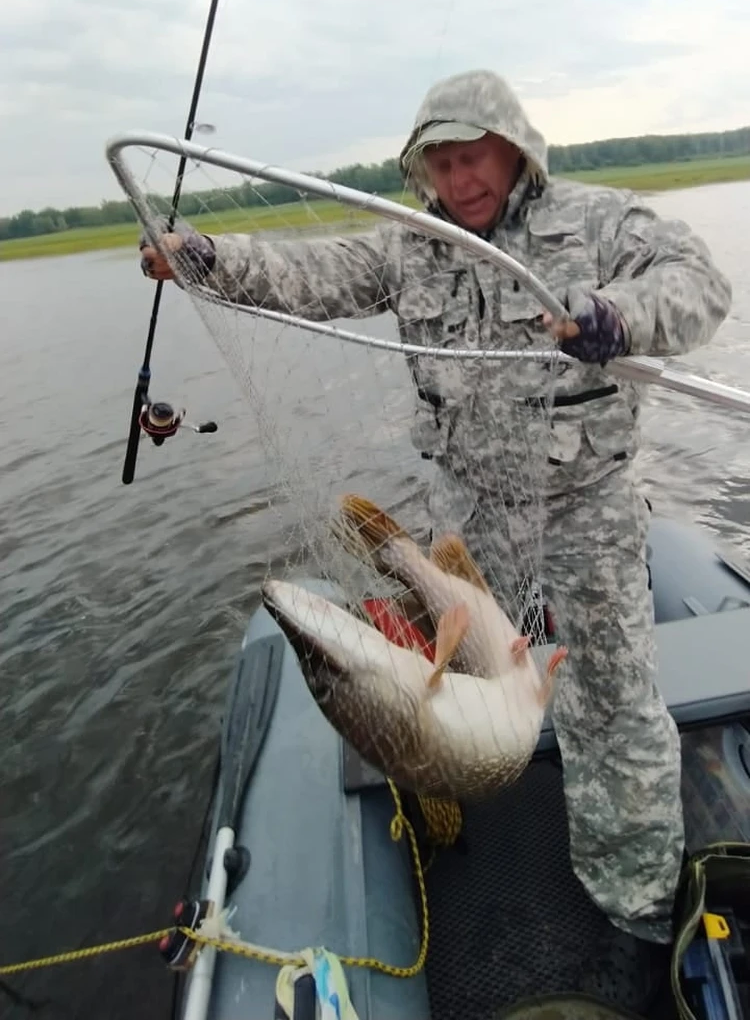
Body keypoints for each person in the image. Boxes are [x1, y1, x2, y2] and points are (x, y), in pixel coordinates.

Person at [140, 69, 732, 1009]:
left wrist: (619, 317)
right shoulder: (416, 248)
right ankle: (443, 817)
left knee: (613, 713)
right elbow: (312, 277)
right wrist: (202, 257)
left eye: (475, 158)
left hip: (584, 509)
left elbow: (701, 286)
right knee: (433, 685)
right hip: (469, 511)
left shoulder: (599, 221)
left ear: (515, 148)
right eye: (442, 163)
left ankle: (635, 909)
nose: (460, 182)